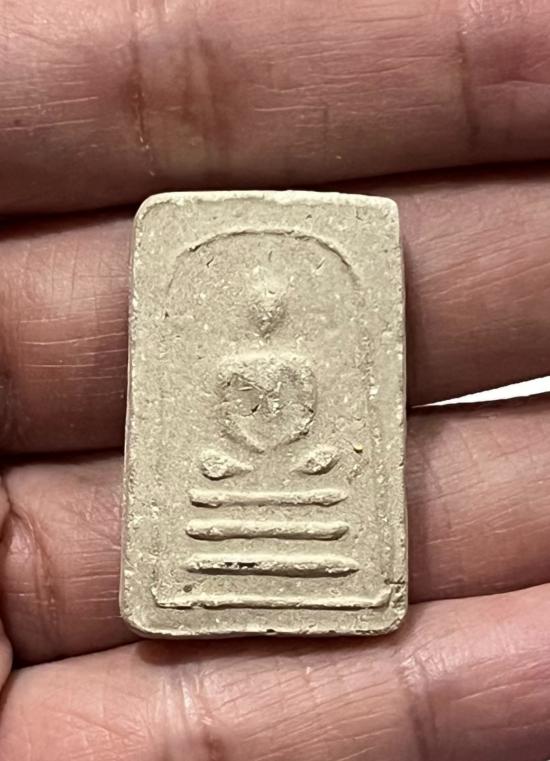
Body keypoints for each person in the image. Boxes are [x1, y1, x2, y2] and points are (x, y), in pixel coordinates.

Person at [1, 1, 550, 759]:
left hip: (298, 469)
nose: (264, 314)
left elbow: (304, 412)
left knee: (307, 489)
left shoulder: (298, 358)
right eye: (257, 306)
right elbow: (234, 414)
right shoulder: (225, 345)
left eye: (271, 306)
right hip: (232, 476)